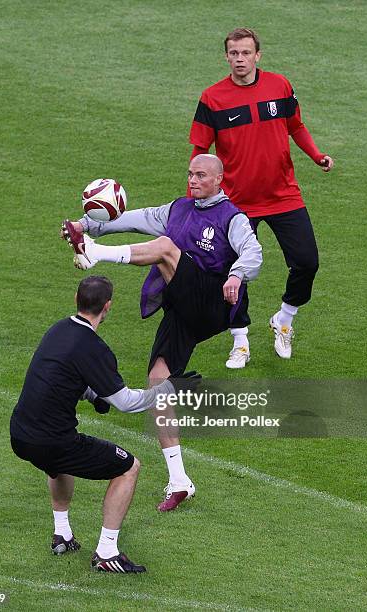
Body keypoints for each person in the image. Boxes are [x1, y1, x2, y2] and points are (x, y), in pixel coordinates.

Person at [61, 154, 262, 510]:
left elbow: (253, 252)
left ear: (219, 179)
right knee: (158, 383)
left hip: (212, 303)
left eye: (201, 175)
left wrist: (236, 274)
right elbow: (131, 220)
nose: (193, 180)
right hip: (183, 309)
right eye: (190, 174)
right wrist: (83, 226)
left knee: (167, 249)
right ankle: (179, 480)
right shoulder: (178, 209)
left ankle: (95, 256)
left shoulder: (233, 218)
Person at [10, 275, 182, 573]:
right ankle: (106, 553)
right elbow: (126, 402)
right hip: (53, 440)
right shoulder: (94, 347)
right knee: (128, 467)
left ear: (76, 299)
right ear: (108, 307)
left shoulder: (58, 330)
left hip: (21, 434)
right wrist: (168, 389)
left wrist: (91, 393)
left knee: (57, 464)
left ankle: (62, 534)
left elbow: (59, 377)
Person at [189, 28, 334, 368]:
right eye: (233, 53)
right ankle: (240, 340)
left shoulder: (279, 86)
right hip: (236, 204)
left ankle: (284, 317)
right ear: (226, 57)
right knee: (234, 274)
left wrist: (316, 156)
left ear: (258, 56)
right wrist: (192, 198)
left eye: (245, 53)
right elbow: (200, 149)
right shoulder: (213, 98)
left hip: (284, 195)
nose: (239, 59)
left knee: (306, 262)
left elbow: (295, 126)